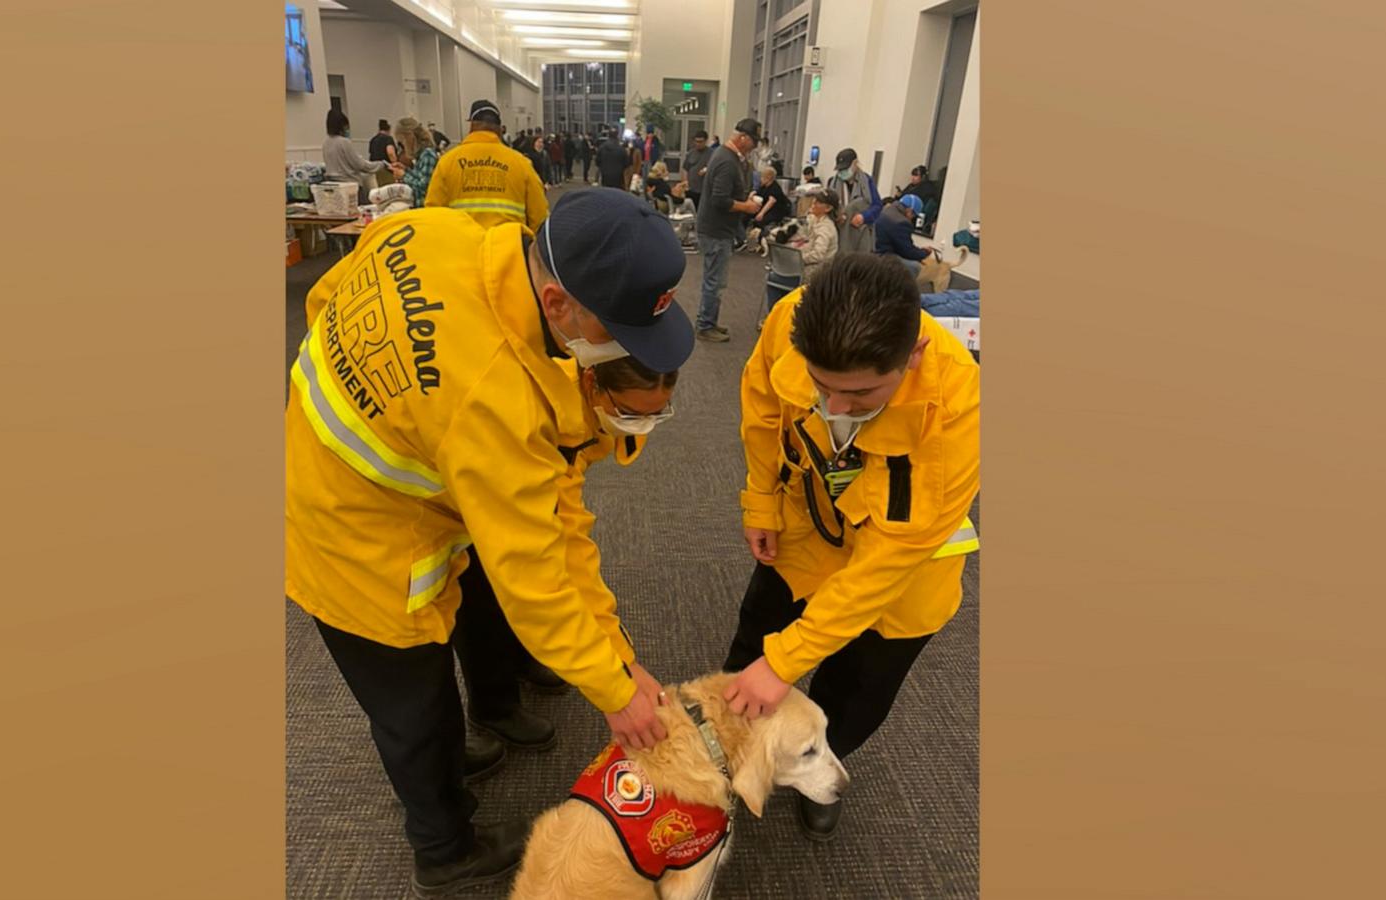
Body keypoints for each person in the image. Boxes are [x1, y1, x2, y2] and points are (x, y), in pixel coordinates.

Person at [288, 189, 694, 895]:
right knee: (412, 701)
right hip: (350, 534)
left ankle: (454, 751)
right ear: (557, 301)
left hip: (352, 459)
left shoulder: (439, 229)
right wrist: (617, 690)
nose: (625, 352)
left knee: (442, 671)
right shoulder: (493, 399)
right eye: (619, 330)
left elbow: (323, 298)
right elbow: (536, 577)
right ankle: (444, 849)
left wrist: (395, 405)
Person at [721, 252, 980, 842]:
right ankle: (729, 754)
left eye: (860, 394)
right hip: (807, 534)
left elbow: (887, 564)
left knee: (855, 689)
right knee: (753, 643)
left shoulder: (958, 410)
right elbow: (762, 410)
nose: (835, 409)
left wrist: (787, 664)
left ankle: (815, 765)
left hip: (901, 583)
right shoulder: (794, 317)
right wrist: (761, 501)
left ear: (911, 356)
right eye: (822, 387)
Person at [453, 353, 679, 763]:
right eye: (629, 412)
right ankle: (493, 705)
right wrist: (618, 669)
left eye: (657, 413)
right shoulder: (540, 411)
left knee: (527, 597)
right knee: (485, 587)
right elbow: (563, 548)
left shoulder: (590, 400)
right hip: (457, 488)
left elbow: (564, 507)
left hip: (502, 469)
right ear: (591, 382)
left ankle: (526, 656)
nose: (642, 423)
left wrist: (615, 660)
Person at [424, 100, 548, 231]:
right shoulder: (521, 163)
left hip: (462, 247)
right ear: (500, 128)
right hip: (508, 248)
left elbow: (433, 213)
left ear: (471, 125)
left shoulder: (447, 162)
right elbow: (539, 217)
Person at [693, 118, 764, 343]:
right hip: (716, 230)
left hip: (717, 228)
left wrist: (745, 198)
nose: (754, 147)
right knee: (715, 280)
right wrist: (748, 206)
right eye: (753, 141)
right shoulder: (726, 160)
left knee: (715, 279)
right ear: (743, 138)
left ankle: (709, 321)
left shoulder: (727, 157)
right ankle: (705, 325)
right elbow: (720, 200)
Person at [323, 110, 400, 199]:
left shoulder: (326, 143)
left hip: (334, 189)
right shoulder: (344, 142)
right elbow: (360, 165)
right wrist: (383, 164)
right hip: (350, 188)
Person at [831, 148, 882, 255]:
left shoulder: (867, 181)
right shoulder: (834, 183)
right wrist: (836, 215)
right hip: (840, 232)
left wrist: (864, 216)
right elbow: (829, 205)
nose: (842, 172)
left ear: (855, 164)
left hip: (860, 232)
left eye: (845, 168)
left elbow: (877, 206)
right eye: (840, 170)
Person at [874, 194, 932, 275]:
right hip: (882, 257)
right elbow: (908, 252)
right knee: (914, 267)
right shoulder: (901, 222)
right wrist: (924, 252)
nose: (912, 218)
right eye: (914, 215)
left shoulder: (887, 209)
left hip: (873, 251)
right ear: (909, 211)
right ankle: (901, 287)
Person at [393, 116, 441, 208]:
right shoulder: (421, 155)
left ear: (409, 137)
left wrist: (403, 175)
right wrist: (406, 170)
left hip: (426, 208)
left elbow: (424, 187)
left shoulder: (427, 154)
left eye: (402, 141)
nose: (403, 145)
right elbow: (420, 177)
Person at [796, 189, 840, 283]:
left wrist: (797, 258)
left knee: (781, 274)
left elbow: (818, 255)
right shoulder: (814, 219)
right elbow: (803, 235)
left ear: (828, 208)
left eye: (818, 202)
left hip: (819, 268)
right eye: (815, 199)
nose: (813, 202)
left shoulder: (826, 228)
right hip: (808, 260)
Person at [747, 165, 791, 250]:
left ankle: (762, 243)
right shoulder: (764, 186)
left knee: (761, 220)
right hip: (768, 210)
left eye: (762, 177)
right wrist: (753, 193)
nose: (760, 179)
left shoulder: (775, 188)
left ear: (769, 178)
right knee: (747, 216)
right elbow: (758, 193)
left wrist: (761, 213)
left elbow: (771, 202)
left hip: (777, 211)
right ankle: (746, 240)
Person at [369, 118, 401, 188]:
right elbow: (390, 153)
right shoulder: (388, 138)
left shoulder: (373, 140)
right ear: (389, 129)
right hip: (387, 169)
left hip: (375, 169)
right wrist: (395, 165)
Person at [680, 131, 711, 202]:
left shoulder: (711, 153)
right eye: (696, 141)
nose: (698, 144)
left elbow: (714, 168)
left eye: (700, 142)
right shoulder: (691, 153)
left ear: (706, 141)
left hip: (704, 190)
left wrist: (706, 170)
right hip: (691, 189)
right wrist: (685, 182)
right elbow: (685, 169)